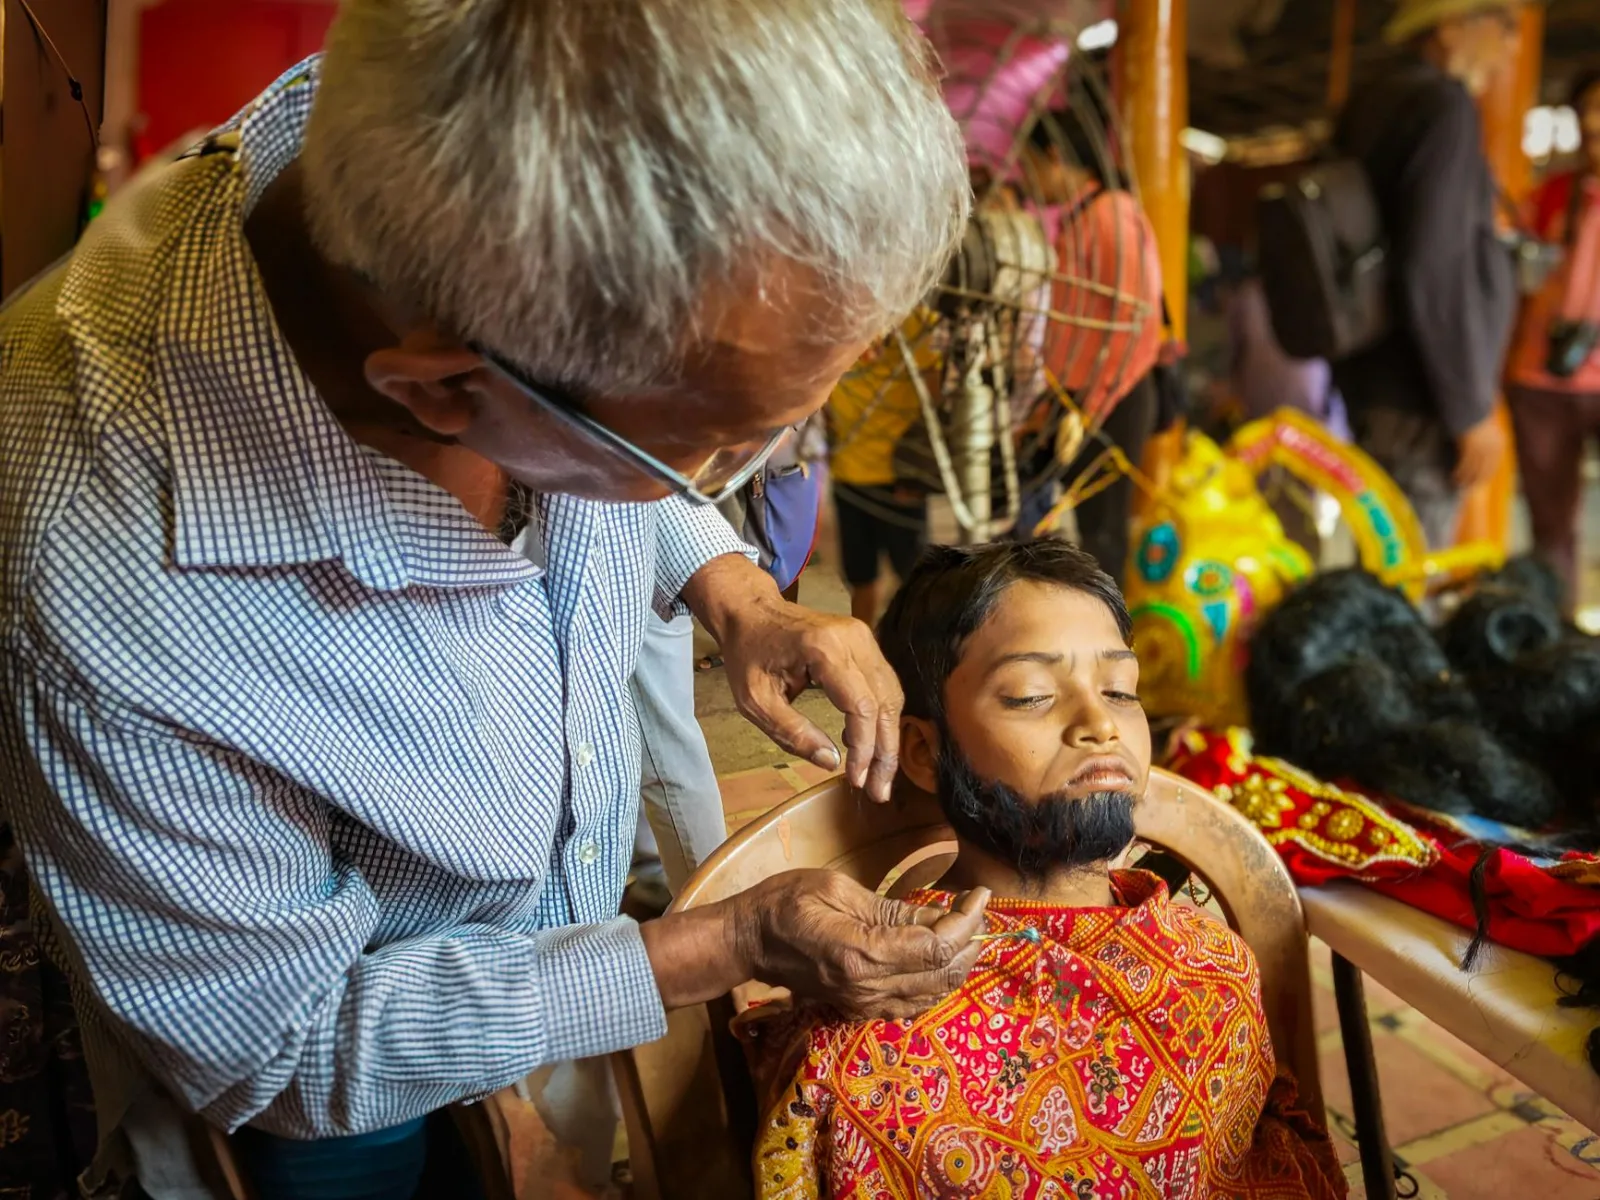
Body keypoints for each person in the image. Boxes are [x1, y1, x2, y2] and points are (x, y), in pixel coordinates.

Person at [0, 4, 993, 1195]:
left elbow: (616, 443)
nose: (744, 476)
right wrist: (727, 941)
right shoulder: (108, 592)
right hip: (337, 1074)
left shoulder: (480, 111)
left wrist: (730, 586)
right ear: (441, 393)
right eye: (726, 449)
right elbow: (287, 1048)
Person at [741, 540, 1346, 1198]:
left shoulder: (1215, 971)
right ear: (923, 750)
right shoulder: (871, 1023)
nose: (1100, 724)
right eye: (1031, 696)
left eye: (1121, 690)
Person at [1331, 0, 1522, 549]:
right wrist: (1469, 409)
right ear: (1452, 26)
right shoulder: (1443, 104)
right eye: (1504, 25)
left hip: (1370, 376)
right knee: (1410, 565)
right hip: (1420, 393)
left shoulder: (1373, 99)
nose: (1511, 45)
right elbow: (1434, 267)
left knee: (1380, 555)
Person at [1016, 103, 1164, 585]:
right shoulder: (1083, 217)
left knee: (1103, 536)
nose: (1030, 180)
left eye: (1032, 165)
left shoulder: (1112, 215)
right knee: (1043, 512)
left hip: (1112, 399)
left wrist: (1090, 409)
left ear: (1055, 157)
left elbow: (1137, 326)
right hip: (1076, 399)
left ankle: (1111, 629)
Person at [1506, 68, 1600, 614]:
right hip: (1541, 380)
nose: (1594, 123)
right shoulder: (1550, 196)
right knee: (1551, 525)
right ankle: (1559, 629)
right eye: (1587, 110)